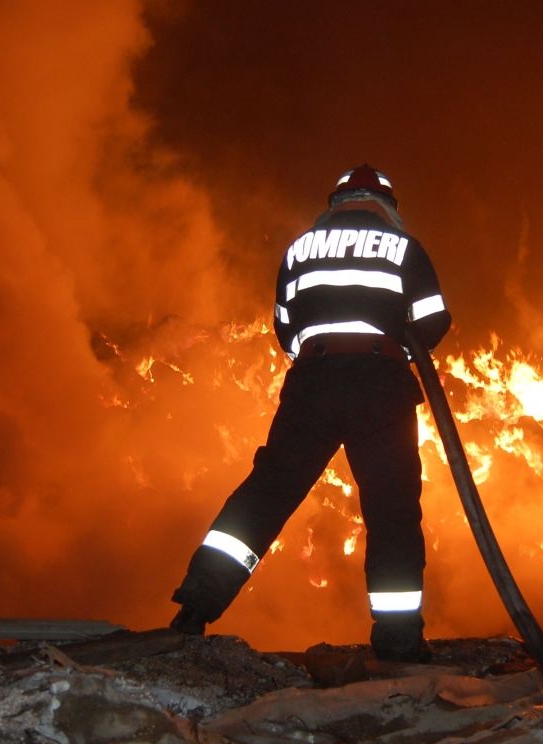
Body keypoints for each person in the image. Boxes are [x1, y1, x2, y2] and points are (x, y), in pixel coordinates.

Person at [170, 164, 451, 661]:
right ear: (386, 205)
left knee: (268, 491)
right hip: (379, 382)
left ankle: (196, 606)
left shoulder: (299, 249)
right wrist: (394, 346)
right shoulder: (405, 247)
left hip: (313, 381)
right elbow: (434, 320)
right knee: (391, 508)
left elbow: (283, 328)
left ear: (335, 203)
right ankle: (399, 640)